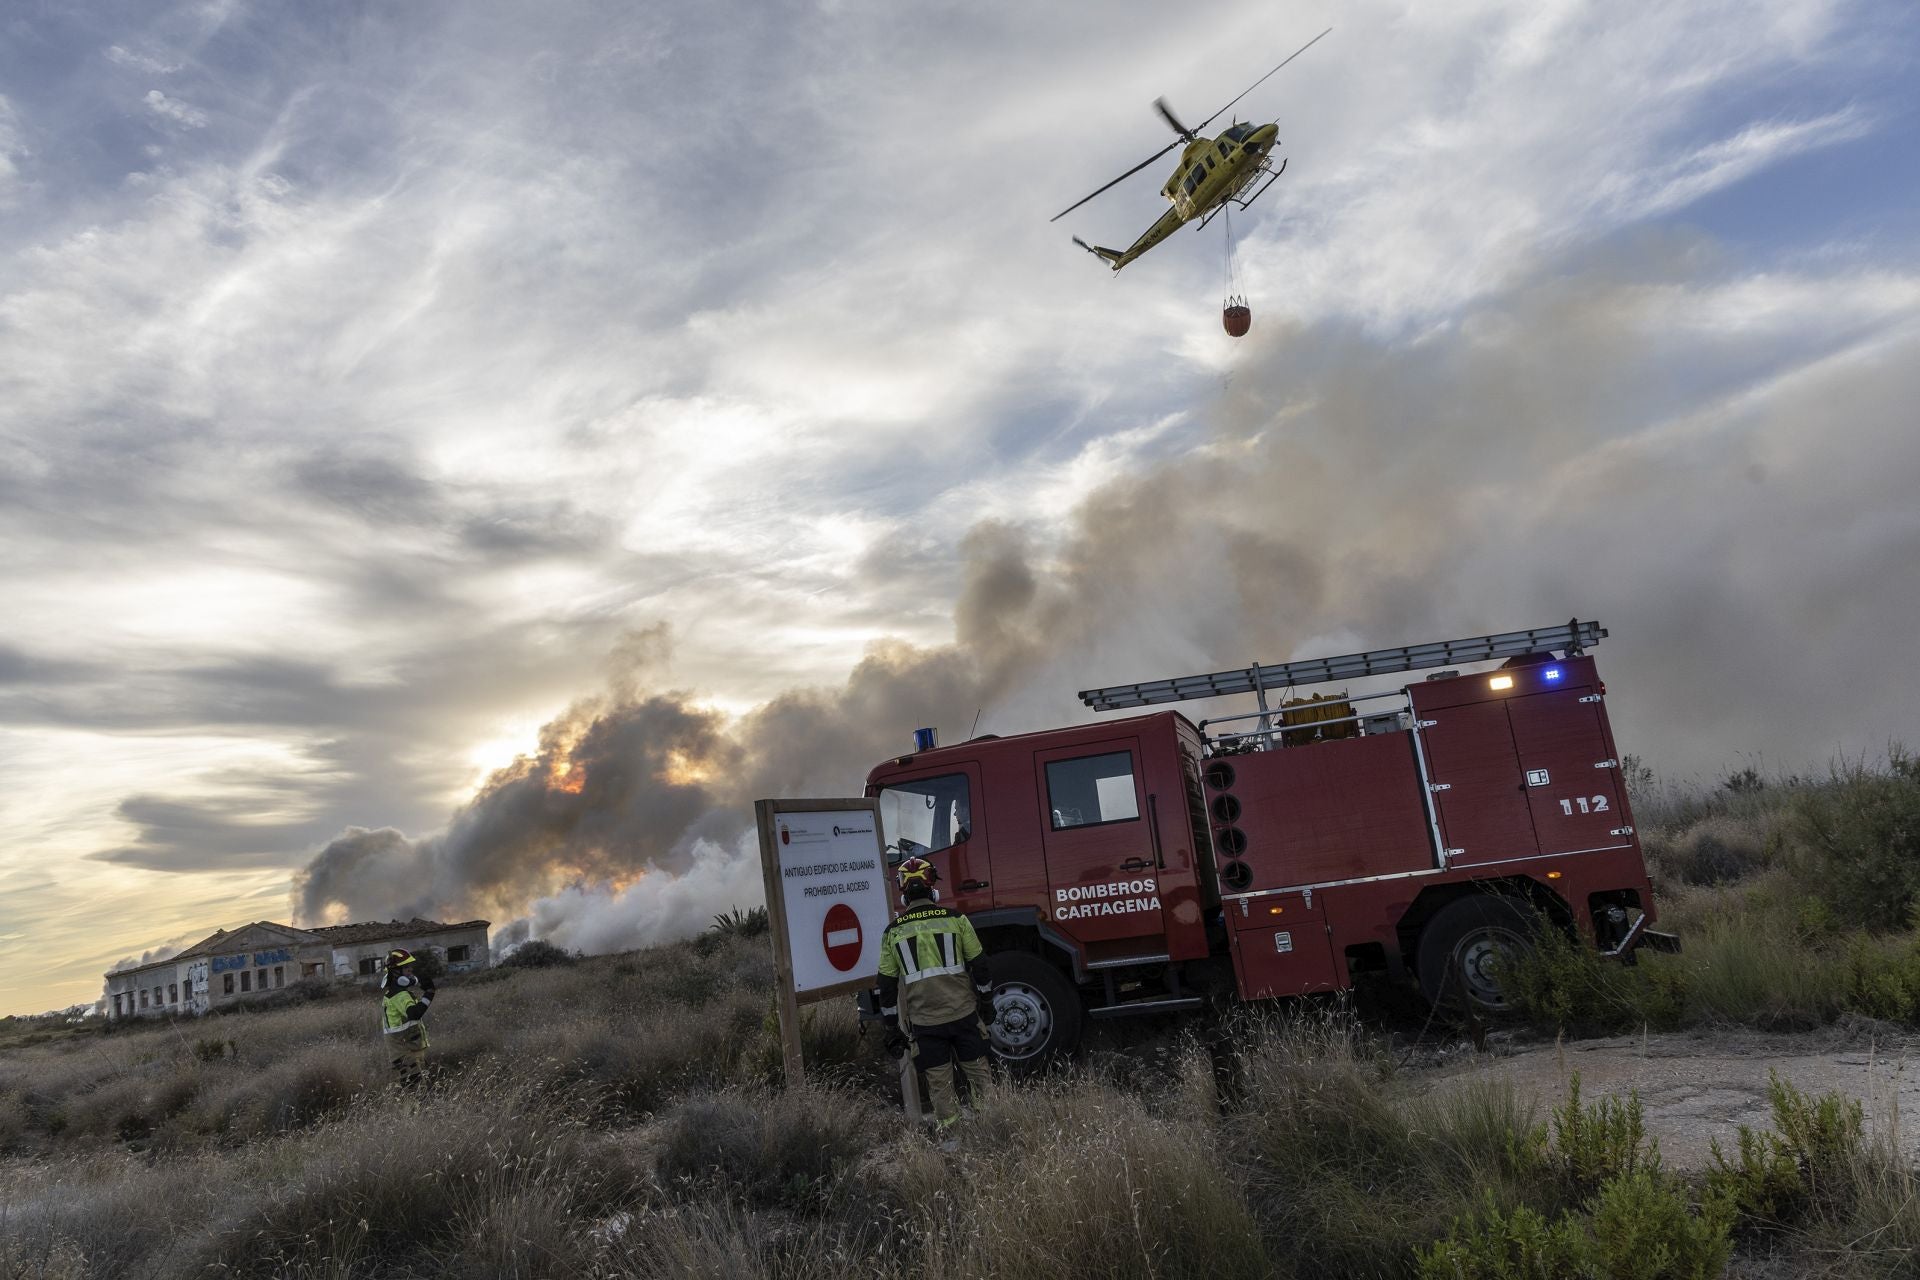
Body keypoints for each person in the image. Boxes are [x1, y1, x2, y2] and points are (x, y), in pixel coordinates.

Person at [877, 856, 995, 1142]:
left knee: (940, 1086)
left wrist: (891, 1027)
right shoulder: (957, 920)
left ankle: (952, 1142)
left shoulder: (893, 932)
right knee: (980, 1079)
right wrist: (986, 1002)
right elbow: (980, 966)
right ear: (933, 889)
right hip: (964, 1015)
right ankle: (991, 1134)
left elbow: (887, 985)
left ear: (903, 892)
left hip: (925, 1024)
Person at [380, 948, 435, 1084]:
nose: (410, 970)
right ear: (396, 972)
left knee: (418, 1092)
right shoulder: (399, 995)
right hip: (406, 1053)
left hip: (407, 1051)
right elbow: (414, 1014)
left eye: (410, 967)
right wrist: (429, 993)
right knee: (417, 1092)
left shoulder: (396, 993)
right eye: (406, 968)